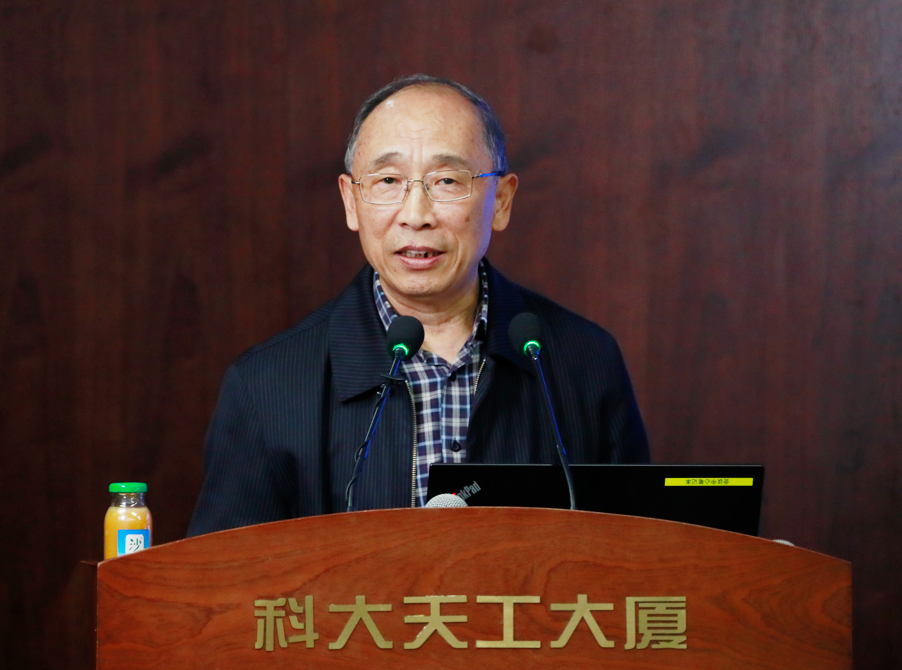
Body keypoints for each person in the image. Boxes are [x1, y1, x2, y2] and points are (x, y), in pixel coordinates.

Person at [187, 75, 649, 536]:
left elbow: (640, 554)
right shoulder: (266, 386)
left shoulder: (584, 361)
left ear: (502, 201)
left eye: (447, 180)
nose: (416, 215)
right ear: (351, 201)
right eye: (388, 180)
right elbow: (225, 574)